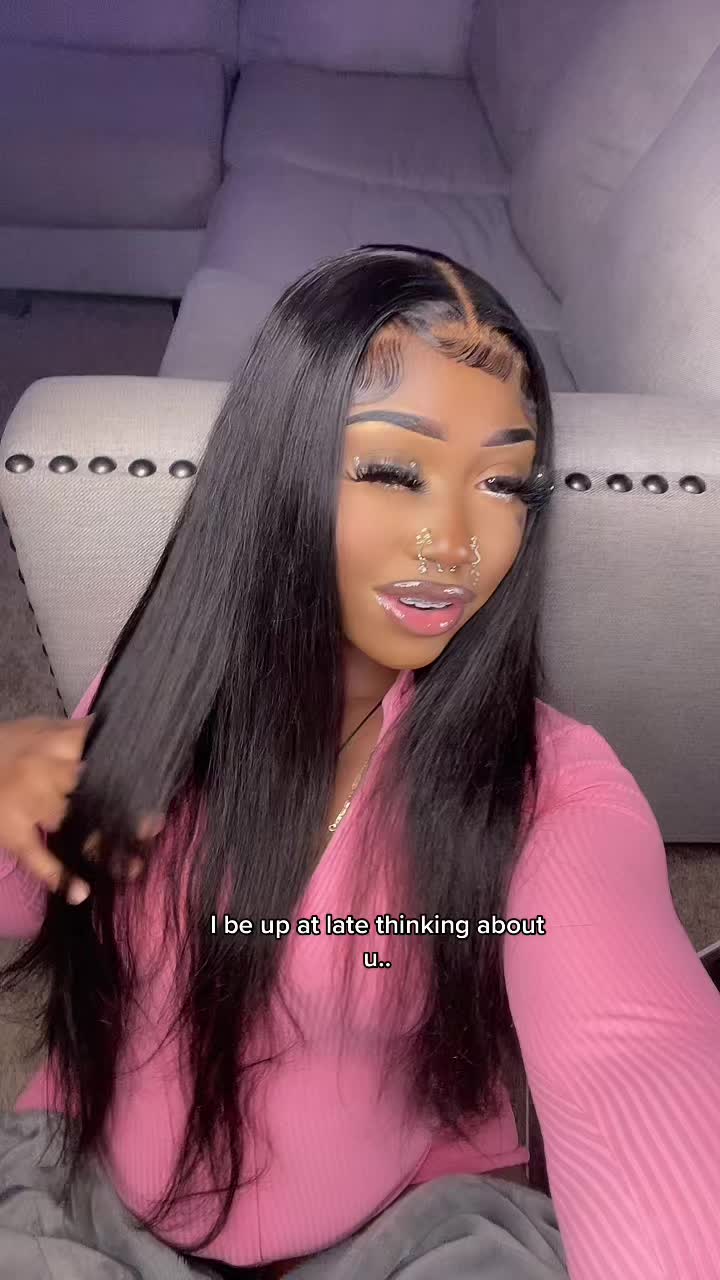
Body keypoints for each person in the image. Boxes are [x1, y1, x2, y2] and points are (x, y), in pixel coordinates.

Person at [0, 245, 719, 1280]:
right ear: (277, 465)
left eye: (504, 481)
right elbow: (48, 904)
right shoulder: (156, 683)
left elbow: (633, 1052)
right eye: (394, 470)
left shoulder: (552, 789)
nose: (452, 543)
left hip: (391, 1229)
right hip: (91, 1194)